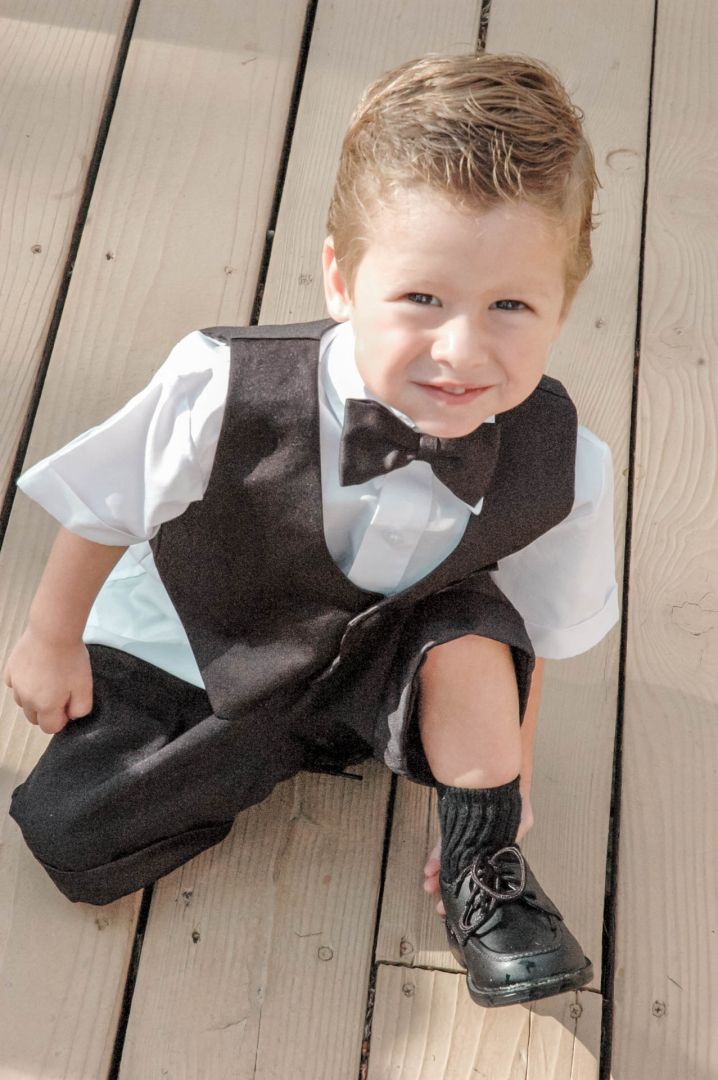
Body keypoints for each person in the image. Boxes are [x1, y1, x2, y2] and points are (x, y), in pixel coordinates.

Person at [3, 53, 618, 1008]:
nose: (461, 351)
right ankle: (262, 744)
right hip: (213, 634)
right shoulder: (226, 384)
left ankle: (481, 872)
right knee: (69, 833)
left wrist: (507, 785)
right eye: (422, 298)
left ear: (562, 308)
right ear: (341, 277)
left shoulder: (562, 459)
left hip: (398, 647)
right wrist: (50, 638)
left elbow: (538, 627)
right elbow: (104, 501)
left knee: (469, 632)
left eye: (511, 306)